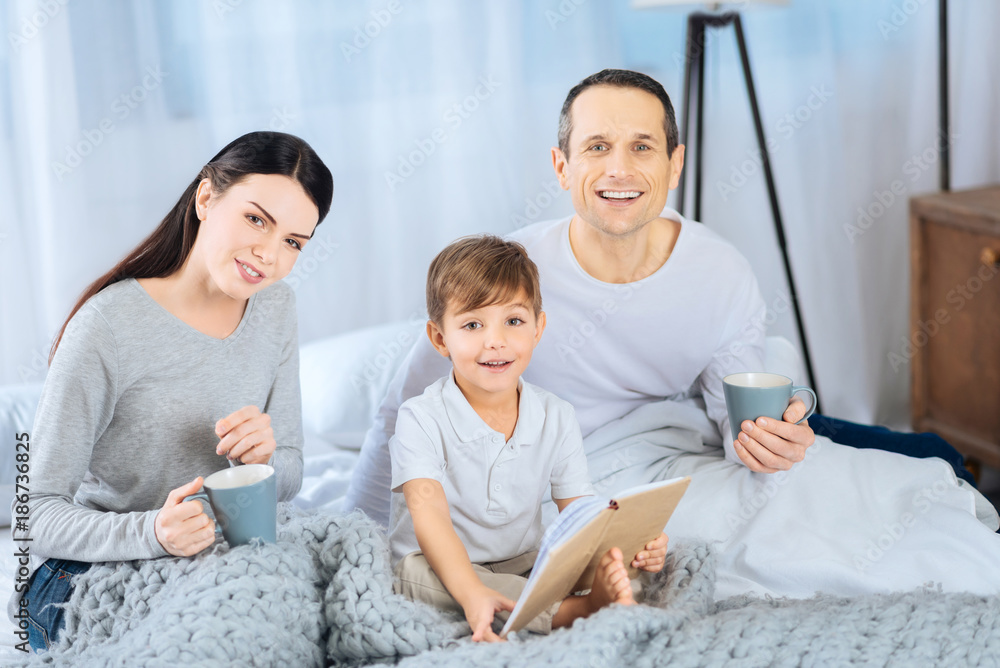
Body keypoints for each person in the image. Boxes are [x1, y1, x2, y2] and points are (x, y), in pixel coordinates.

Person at [346, 69, 1000, 599]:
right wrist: (364, 537)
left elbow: (734, 426)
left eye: (642, 146)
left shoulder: (717, 272)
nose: (619, 169)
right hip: (568, 479)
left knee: (877, 489)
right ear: (561, 165)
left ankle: (928, 463)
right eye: (596, 146)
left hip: (674, 443)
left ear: (675, 162)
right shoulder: (507, 273)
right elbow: (399, 411)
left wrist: (767, 439)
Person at [12, 131, 334, 652]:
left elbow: (292, 473)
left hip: (214, 559)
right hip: (87, 575)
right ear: (206, 199)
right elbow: (36, 514)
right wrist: (154, 534)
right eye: (257, 219)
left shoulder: (276, 308)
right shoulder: (107, 326)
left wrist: (266, 458)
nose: (269, 254)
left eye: (294, 242)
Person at [390, 235, 667, 641]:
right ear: (439, 338)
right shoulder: (420, 417)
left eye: (514, 321)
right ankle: (575, 611)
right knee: (418, 577)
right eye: (472, 324)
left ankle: (577, 595)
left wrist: (629, 545)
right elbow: (429, 517)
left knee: (620, 563)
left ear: (538, 328)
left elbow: (578, 512)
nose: (495, 341)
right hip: (438, 563)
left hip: (524, 562)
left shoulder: (555, 415)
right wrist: (471, 592)